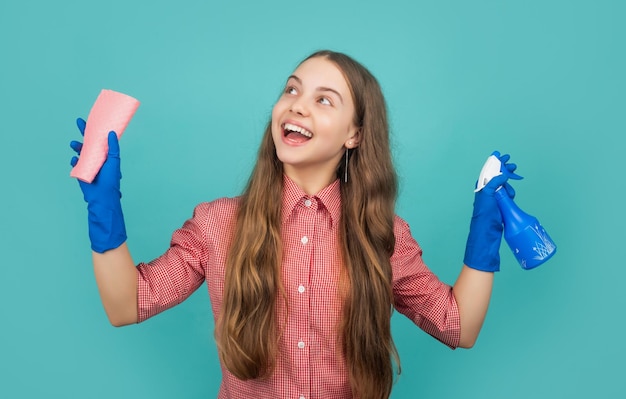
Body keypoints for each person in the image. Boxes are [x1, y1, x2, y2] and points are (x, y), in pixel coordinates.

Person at [70, 50, 520, 399]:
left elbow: (457, 327)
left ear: (354, 135)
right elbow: (127, 304)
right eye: (291, 90)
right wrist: (105, 212)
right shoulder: (217, 223)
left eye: (324, 100)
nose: (297, 106)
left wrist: (484, 234)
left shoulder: (382, 235)